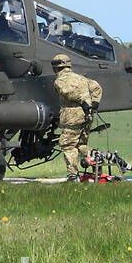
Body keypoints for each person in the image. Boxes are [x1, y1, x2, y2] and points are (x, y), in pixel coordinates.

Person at [51, 53, 102, 181]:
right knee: (81, 145)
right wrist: (93, 105)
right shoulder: (81, 78)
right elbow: (97, 88)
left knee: (68, 145)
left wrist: (84, 102)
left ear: (56, 67)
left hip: (72, 116)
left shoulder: (60, 81)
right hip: (87, 116)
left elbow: (69, 92)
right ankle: (97, 160)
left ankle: (73, 176)